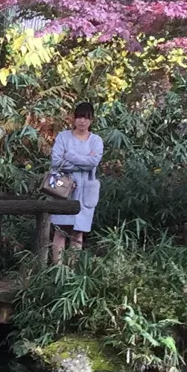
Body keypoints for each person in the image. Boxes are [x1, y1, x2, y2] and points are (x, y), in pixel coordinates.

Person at [47, 101, 104, 262]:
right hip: (63, 187)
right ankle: (58, 270)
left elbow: (93, 162)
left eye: (86, 118)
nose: (82, 121)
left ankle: (72, 271)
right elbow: (56, 161)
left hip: (85, 189)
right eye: (79, 117)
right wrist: (83, 161)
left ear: (91, 120)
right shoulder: (63, 137)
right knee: (60, 230)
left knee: (78, 232)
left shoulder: (96, 141)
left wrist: (70, 155)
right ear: (74, 118)